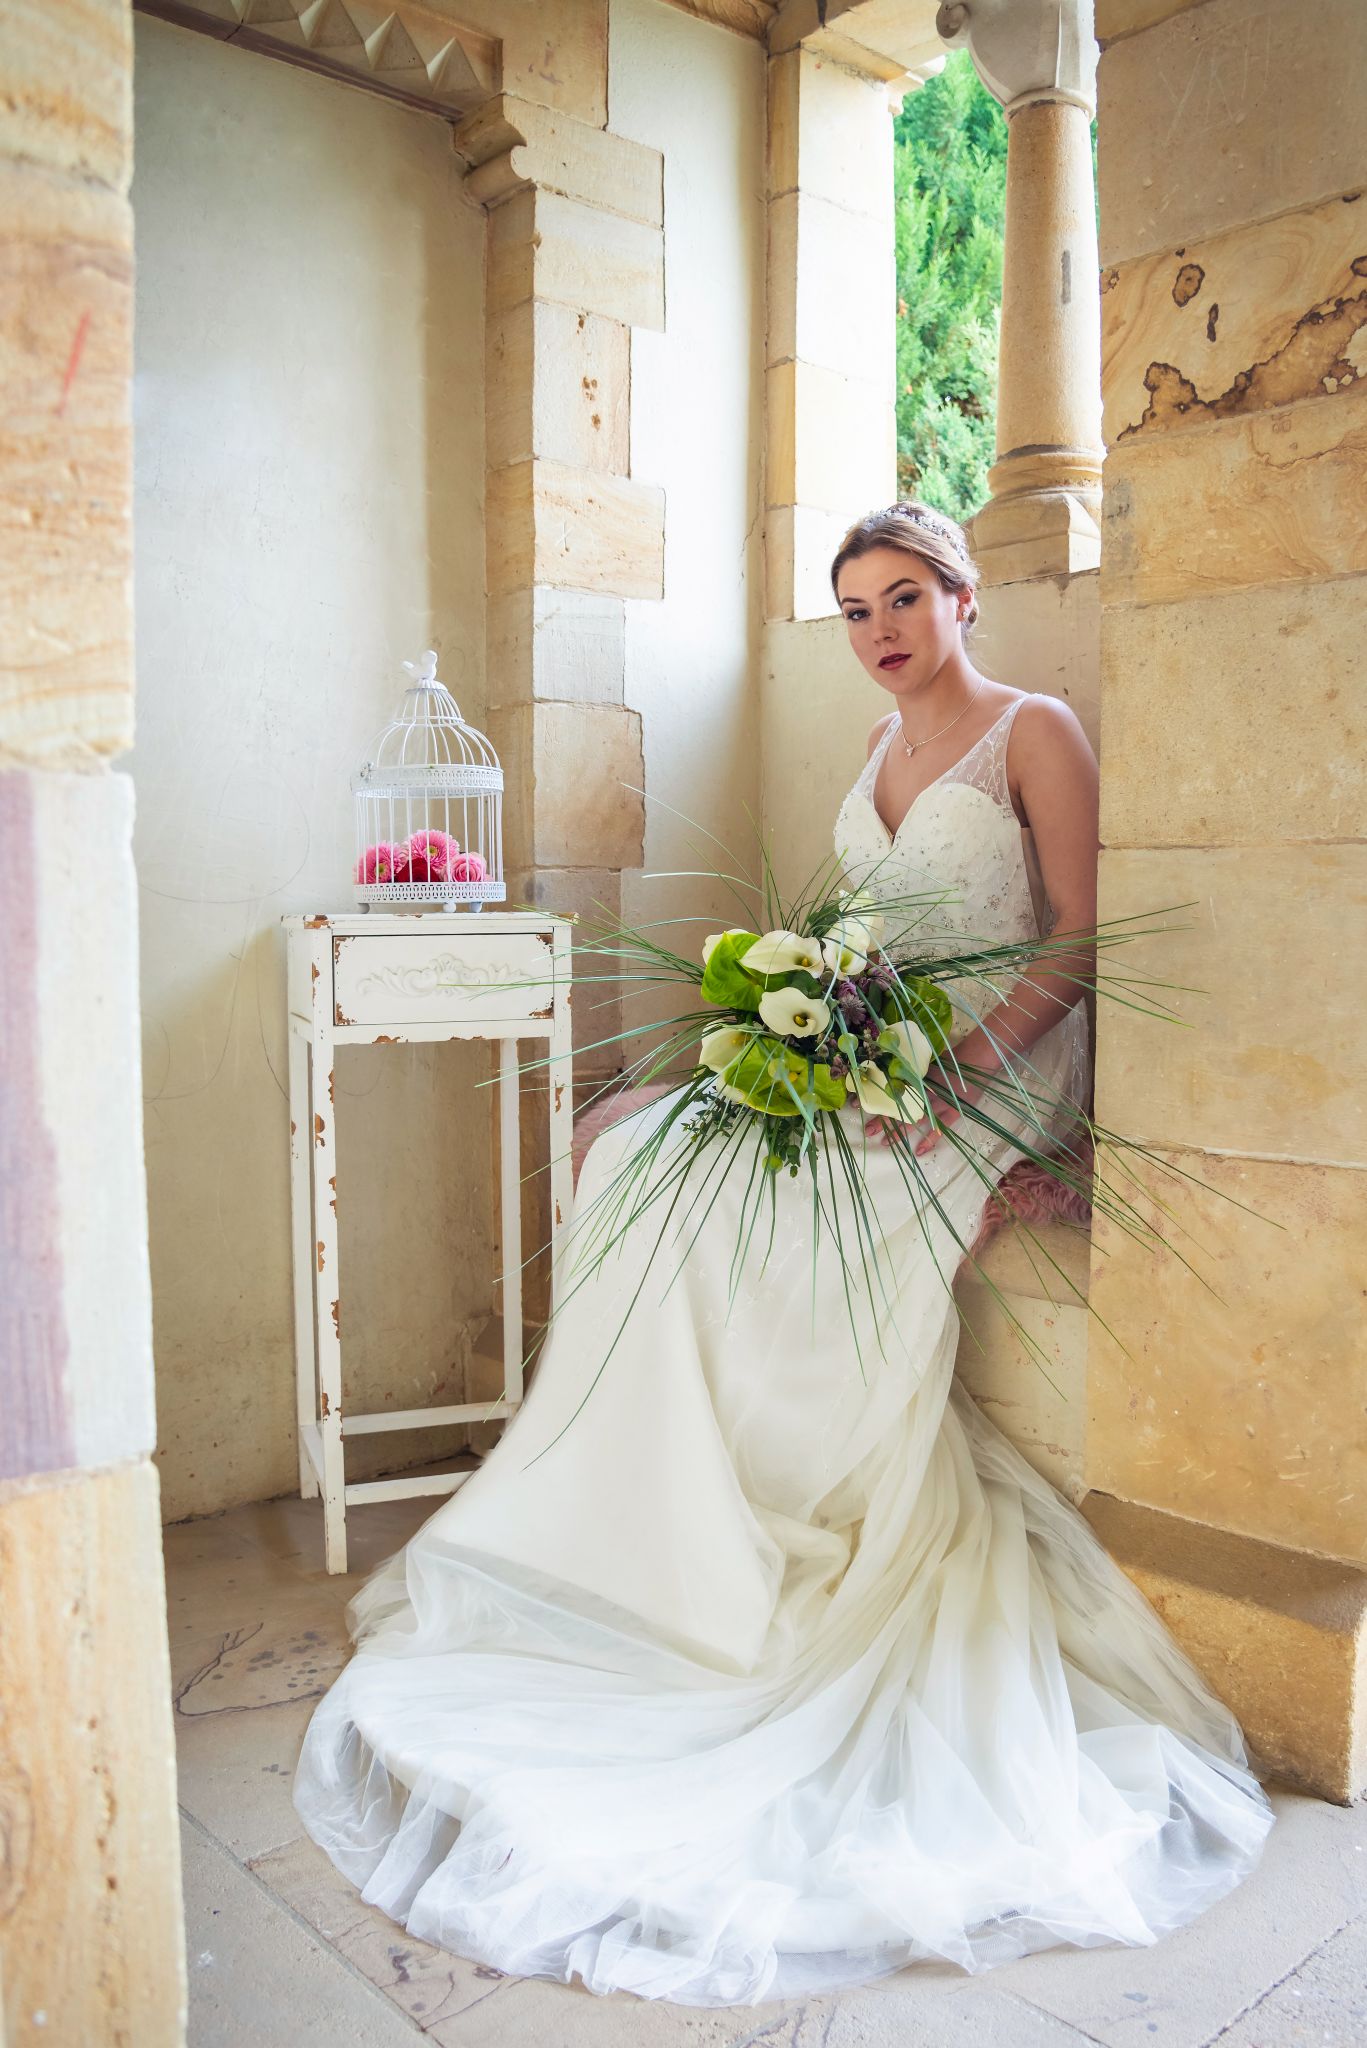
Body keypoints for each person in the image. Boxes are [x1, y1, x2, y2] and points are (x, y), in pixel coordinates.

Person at [293, 503, 1273, 2008]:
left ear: (960, 599)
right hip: (871, 1059)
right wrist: (777, 1039)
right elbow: (850, 945)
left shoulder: (1033, 730)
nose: (880, 632)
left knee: (761, 1218)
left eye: (902, 600)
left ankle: (771, 1521)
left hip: (990, 1068)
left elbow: (1073, 941)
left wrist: (956, 1074)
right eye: (856, 612)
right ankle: (666, 1541)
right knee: (633, 1147)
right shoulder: (873, 758)